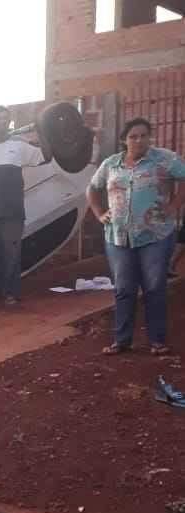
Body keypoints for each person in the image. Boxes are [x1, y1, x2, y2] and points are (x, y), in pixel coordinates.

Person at [87, 117, 185, 356]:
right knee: (123, 288)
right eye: (133, 136)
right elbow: (92, 188)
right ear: (124, 140)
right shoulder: (111, 164)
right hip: (118, 237)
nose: (139, 140)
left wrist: (174, 205)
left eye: (143, 135)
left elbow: (183, 178)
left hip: (156, 235)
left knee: (154, 286)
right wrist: (100, 213)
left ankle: (157, 341)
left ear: (149, 137)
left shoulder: (165, 159)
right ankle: (122, 341)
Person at [0, 105, 46, 305]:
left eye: (5, 118)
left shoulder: (19, 145)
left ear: (9, 122)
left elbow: (44, 157)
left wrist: (45, 133)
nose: (1, 122)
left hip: (12, 210)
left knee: (12, 252)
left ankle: (12, 293)